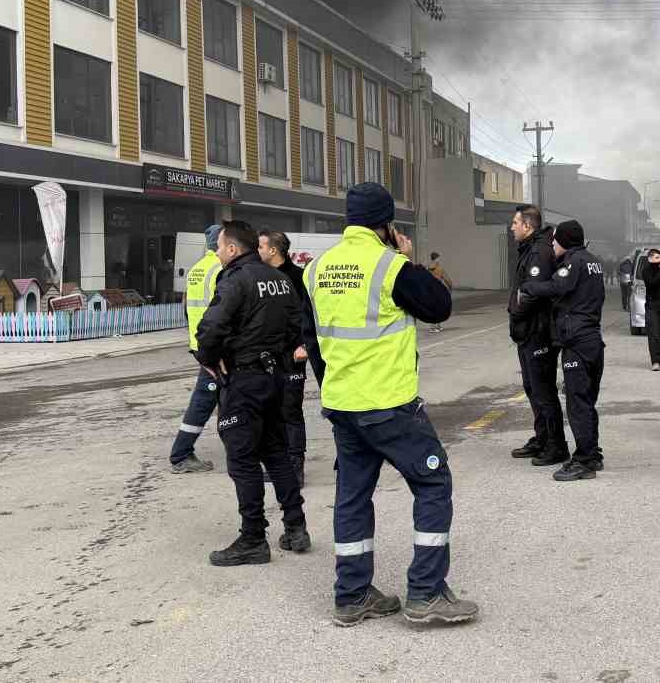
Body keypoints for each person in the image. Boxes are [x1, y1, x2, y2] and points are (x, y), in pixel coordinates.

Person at [307, 182, 475, 627]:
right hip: (389, 405)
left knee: (352, 497)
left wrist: (335, 388)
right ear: (387, 225)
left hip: (342, 404)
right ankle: (426, 592)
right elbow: (439, 306)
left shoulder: (316, 268)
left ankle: (352, 595)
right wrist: (407, 258)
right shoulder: (390, 266)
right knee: (433, 483)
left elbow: (312, 338)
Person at [194, 220, 310, 566]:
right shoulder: (280, 279)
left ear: (232, 249)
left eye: (219, 246)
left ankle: (253, 538)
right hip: (275, 378)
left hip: (244, 380)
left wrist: (208, 359)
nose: (216, 252)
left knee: (243, 459)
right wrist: (281, 359)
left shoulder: (234, 279)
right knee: (275, 452)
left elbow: (211, 326)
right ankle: (296, 527)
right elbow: (296, 326)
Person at [519, 220, 606, 482]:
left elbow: (556, 287)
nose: (553, 244)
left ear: (566, 241)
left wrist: (528, 287)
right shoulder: (592, 260)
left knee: (577, 404)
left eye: (556, 240)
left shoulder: (573, 262)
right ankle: (592, 454)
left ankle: (584, 461)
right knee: (586, 402)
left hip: (576, 342)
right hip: (592, 339)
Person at [508, 205, 569, 467]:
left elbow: (534, 293)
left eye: (515, 223)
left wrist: (516, 313)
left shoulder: (539, 252)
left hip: (538, 332)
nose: (512, 227)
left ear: (528, 226)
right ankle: (543, 438)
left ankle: (556, 446)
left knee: (544, 391)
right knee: (533, 388)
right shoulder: (530, 249)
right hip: (528, 332)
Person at [259, 230, 319, 487]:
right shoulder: (261, 277)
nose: (257, 251)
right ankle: (280, 466)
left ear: (273, 250)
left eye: (260, 246)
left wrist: (305, 344)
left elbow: (312, 313)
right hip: (268, 356)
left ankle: (296, 466)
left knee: (290, 410)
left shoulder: (298, 277)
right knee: (272, 412)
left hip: (292, 354)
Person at [169, 224, 222, 474]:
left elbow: (187, 308)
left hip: (201, 345)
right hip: (215, 349)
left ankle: (242, 449)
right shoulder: (221, 269)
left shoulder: (198, 268)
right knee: (203, 401)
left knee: (220, 399)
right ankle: (181, 455)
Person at [426, 252, 453, 333]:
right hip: (437, 290)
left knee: (432, 308)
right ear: (437, 258)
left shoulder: (427, 268)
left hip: (429, 290)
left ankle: (435, 326)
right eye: (439, 258)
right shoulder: (439, 268)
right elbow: (446, 279)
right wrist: (450, 287)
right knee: (438, 308)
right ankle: (435, 326)